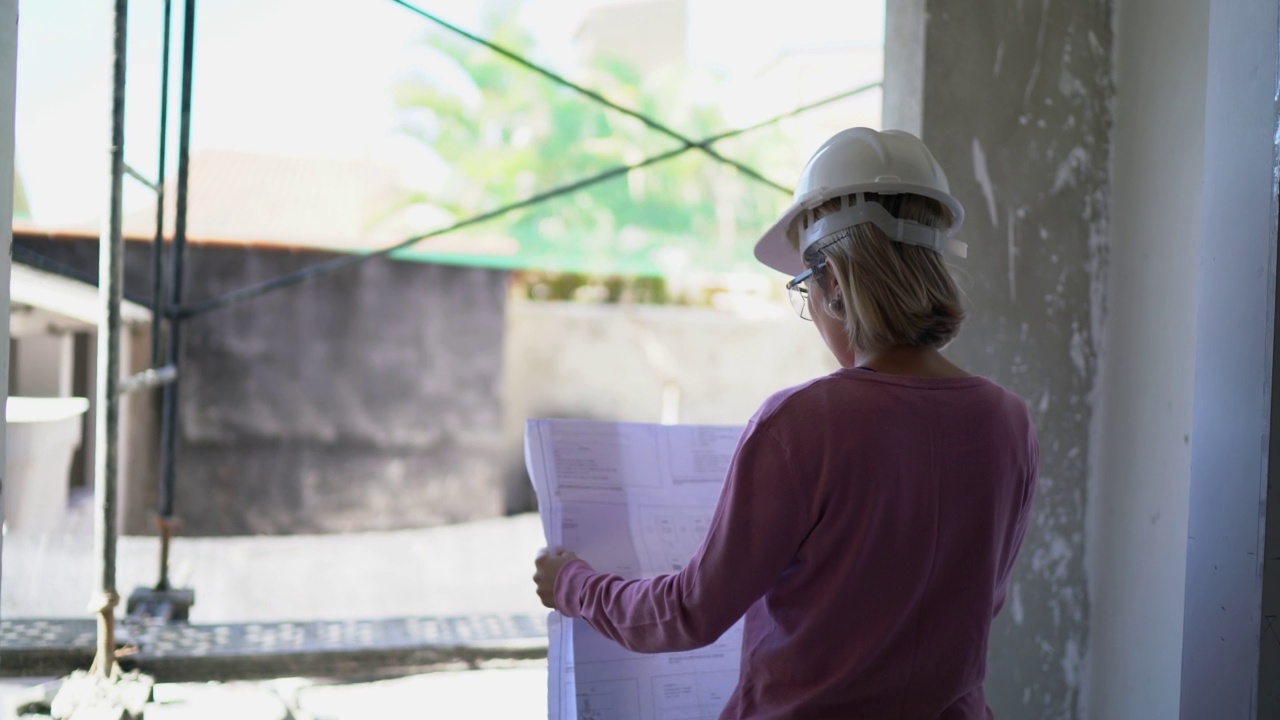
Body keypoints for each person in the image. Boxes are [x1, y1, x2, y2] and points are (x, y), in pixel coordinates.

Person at [533, 127, 1039, 719]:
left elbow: (690, 612)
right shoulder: (1009, 421)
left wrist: (573, 584)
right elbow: (980, 604)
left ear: (832, 282)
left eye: (804, 285)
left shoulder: (801, 424)